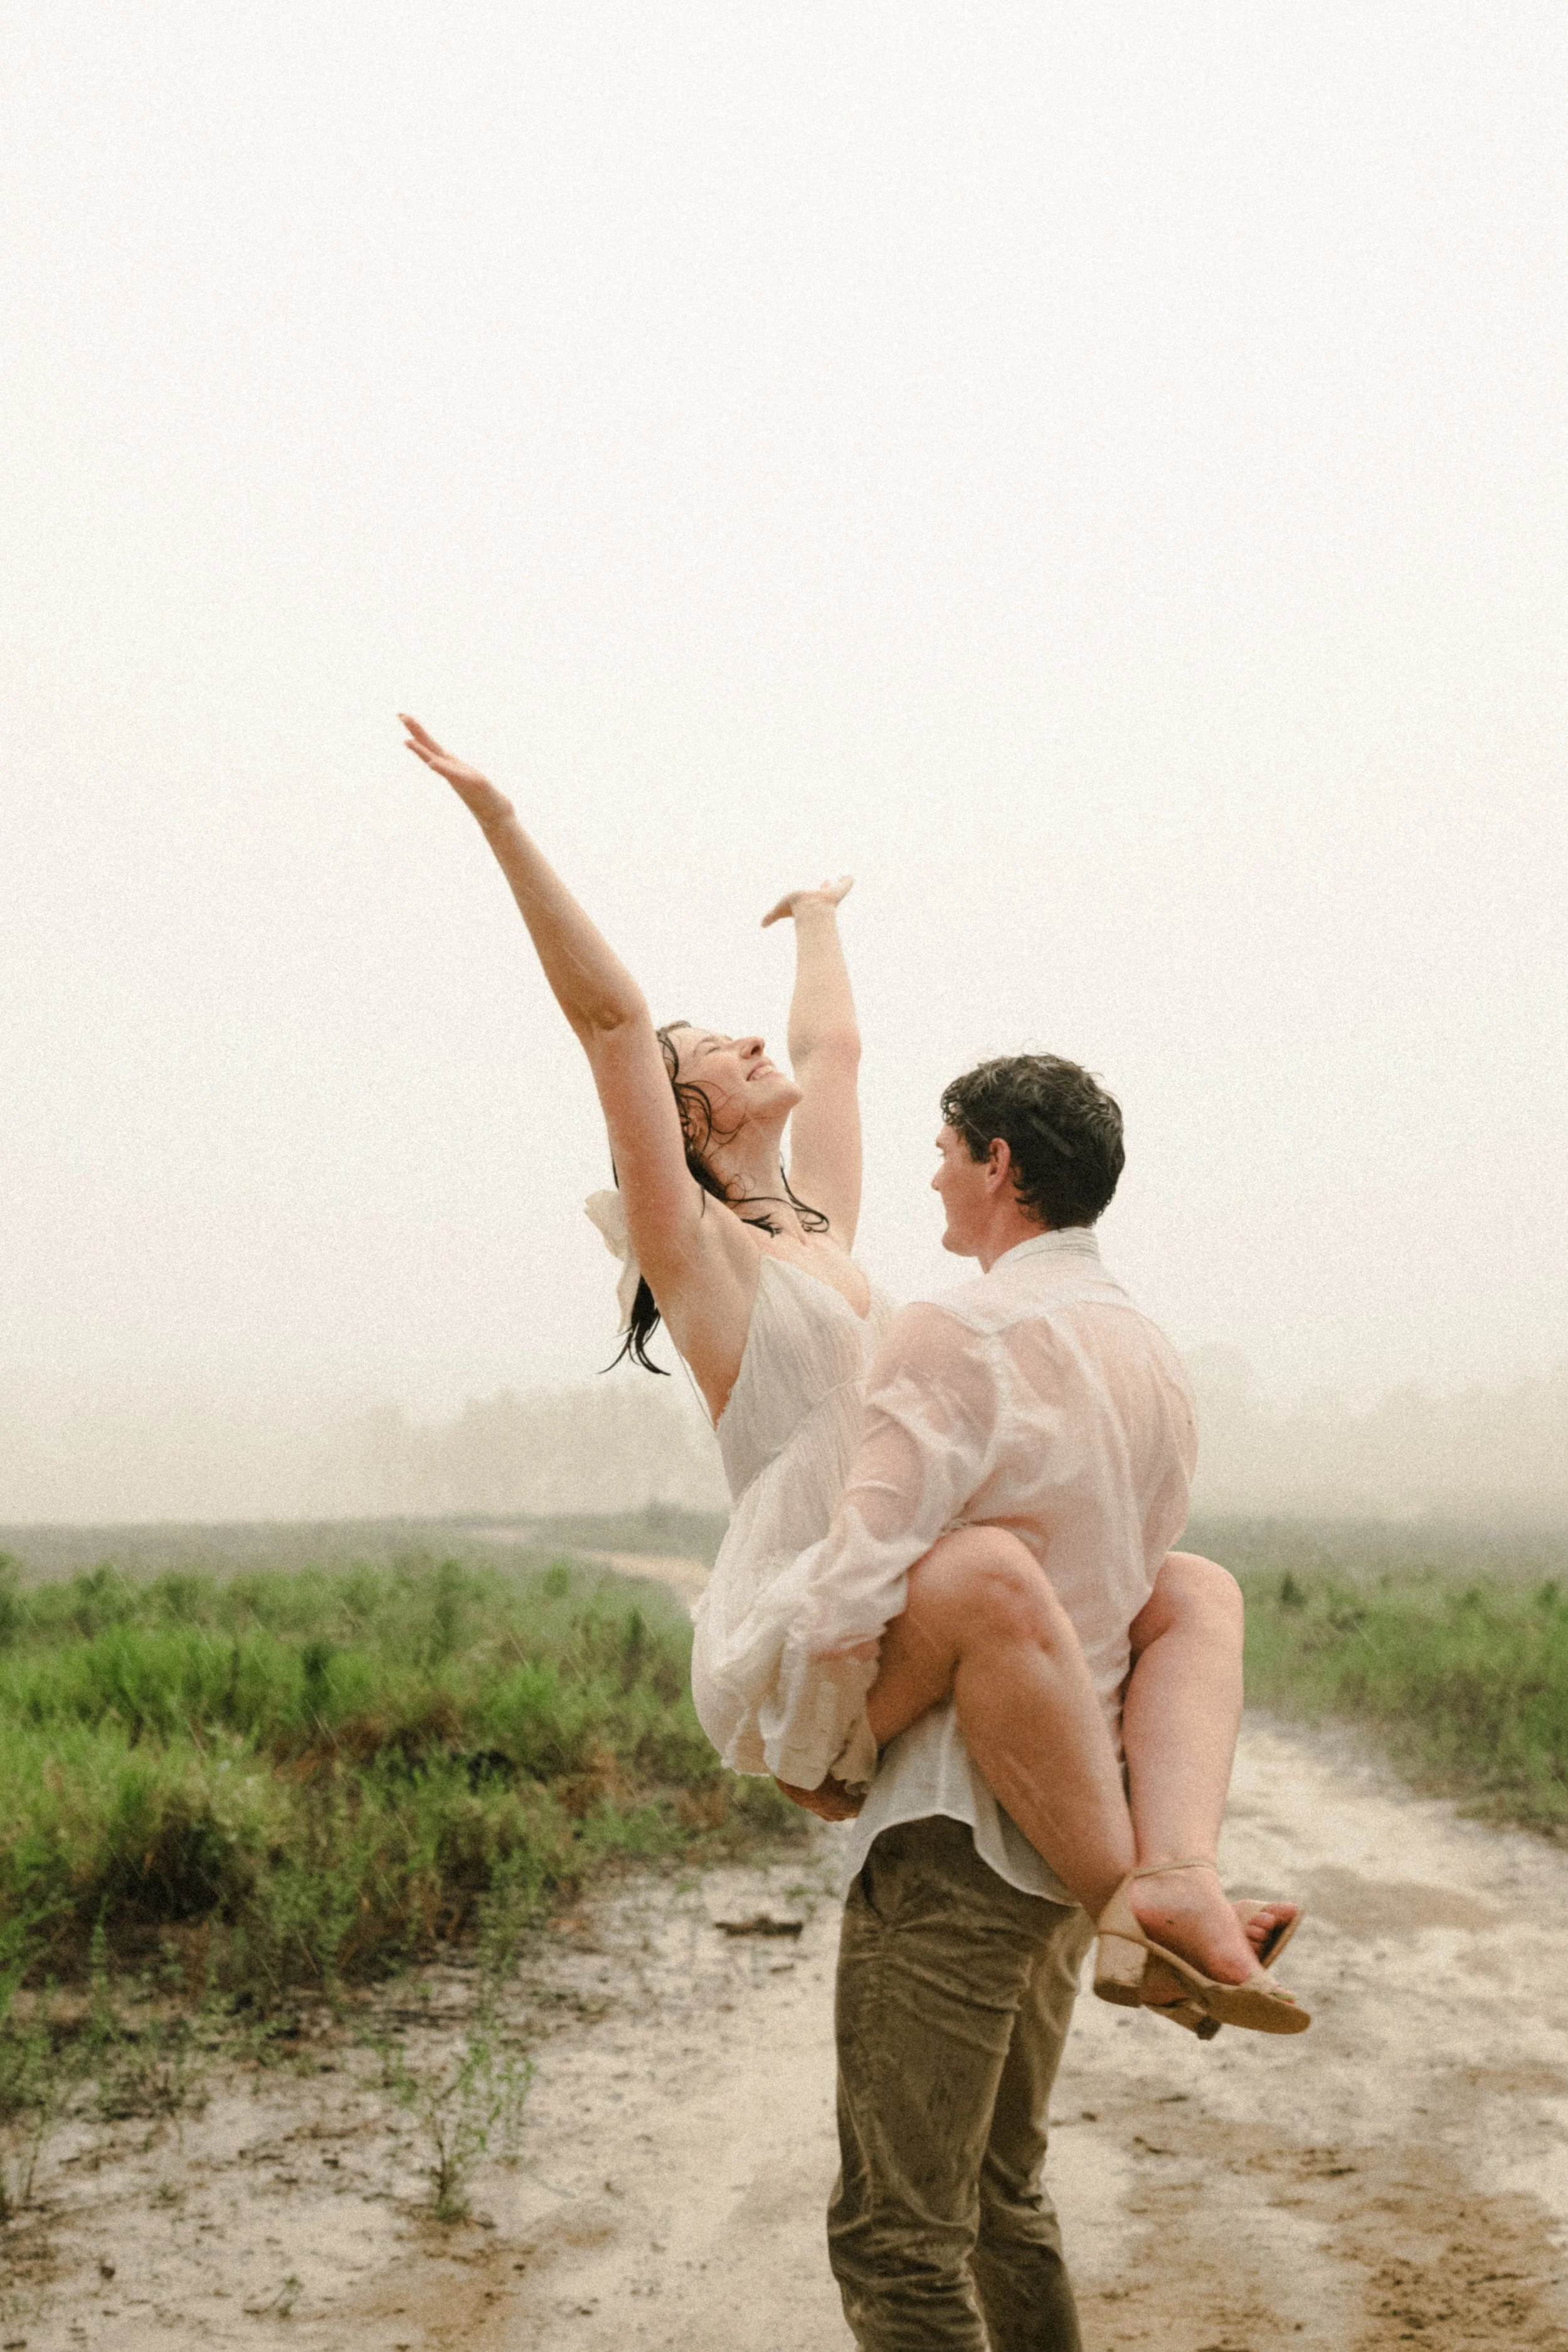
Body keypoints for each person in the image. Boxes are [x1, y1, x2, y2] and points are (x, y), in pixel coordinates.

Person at [396, 715, 1298, 2034]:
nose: (746, 1043)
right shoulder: (699, 1252)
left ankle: (1182, 1871)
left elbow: (833, 1053)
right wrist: (500, 820)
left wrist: (817, 920)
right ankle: (1139, 1920)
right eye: (713, 1048)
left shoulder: (819, 1226)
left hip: (886, 1587)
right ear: (682, 1116)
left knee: (1193, 1590)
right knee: (992, 1569)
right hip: (807, 1620)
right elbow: (610, 1020)